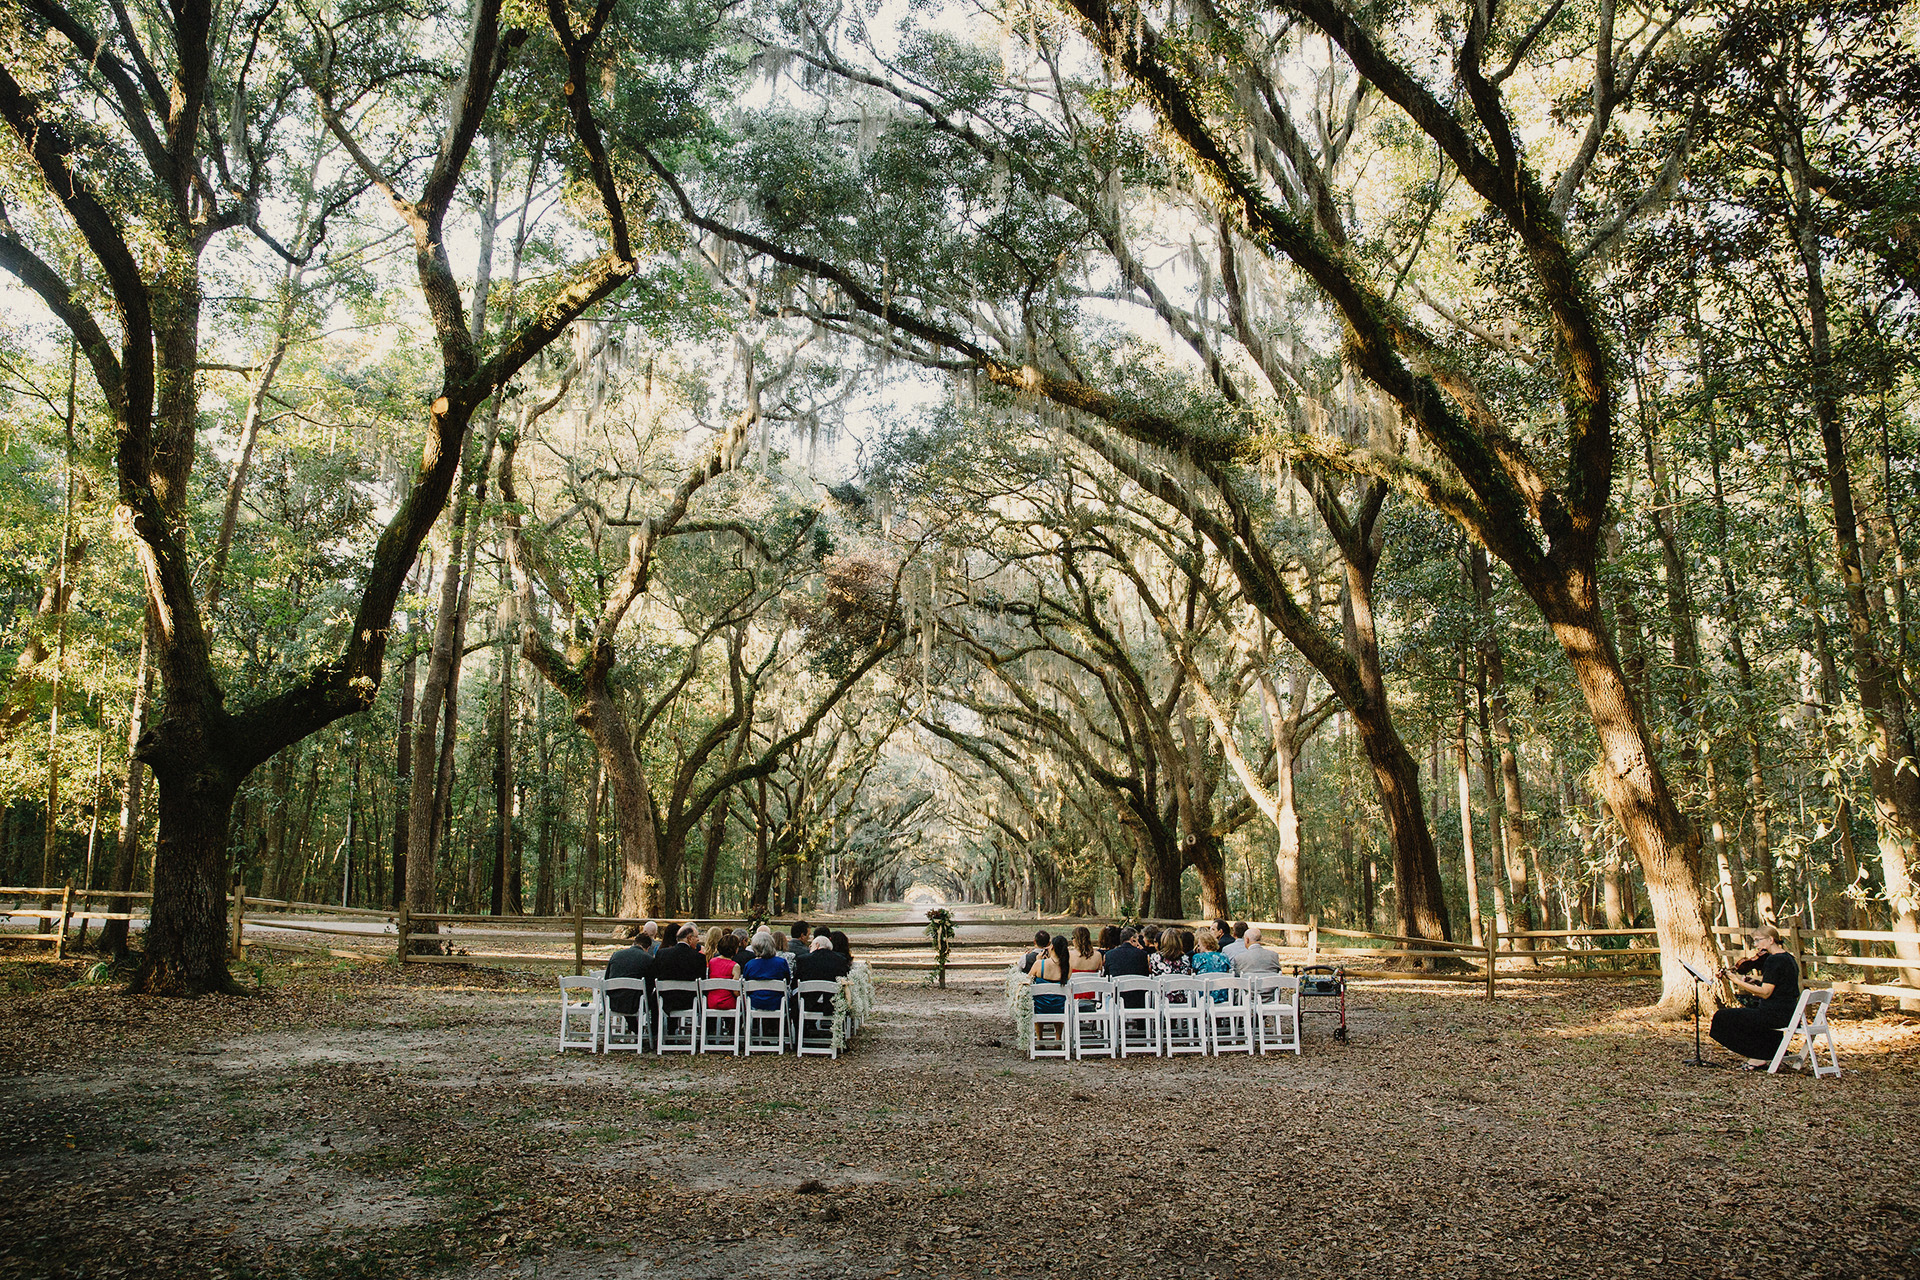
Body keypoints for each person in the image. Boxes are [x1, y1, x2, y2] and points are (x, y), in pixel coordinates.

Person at [1711, 926, 1803, 1069]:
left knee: (1721, 1017)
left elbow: (1765, 993)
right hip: (1788, 1012)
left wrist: (1737, 981)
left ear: (1771, 940)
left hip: (1774, 1015)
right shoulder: (1788, 958)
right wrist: (1757, 983)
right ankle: (1762, 1054)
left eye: (1758, 940)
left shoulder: (1773, 961)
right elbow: (1781, 987)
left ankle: (1759, 1055)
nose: (1755, 945)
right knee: (1748, 1012)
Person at [604, 925, 655, 1031]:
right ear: (648, 948)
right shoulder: (648, 959)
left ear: (634, 943)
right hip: (636, 1003)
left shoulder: (616, 955)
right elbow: (650, 985)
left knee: (626, 993)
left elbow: (607, 978)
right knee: (649, 997)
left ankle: (634, 1027)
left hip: (613, 1001)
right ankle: (653, 1031)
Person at [1027, 935, 1071, 1048]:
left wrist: (1038, 961)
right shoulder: (1067, 967)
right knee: (1058, 999)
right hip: (1059, 1007)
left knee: (1039, 1000)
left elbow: (1028, 980)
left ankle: (1040, 1038)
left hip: (1041, 1007)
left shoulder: (1039, 964)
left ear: (1052, 948)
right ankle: (1058, 1038)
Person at [651, 924, 707, 1014]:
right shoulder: (698, 957)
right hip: (689, 1001)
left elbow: (656, 976)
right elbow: (701, 982)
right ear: (689, 938)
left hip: (665, 1000)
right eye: (696, 937)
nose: (698, 940)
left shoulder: (662, 953)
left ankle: (657, 1027)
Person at [741, 932, 791, 1010]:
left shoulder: (750, 965)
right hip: (777, 1002)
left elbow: (745, 982)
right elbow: (787, 980)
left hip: (755, 1002)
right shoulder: (781, 962)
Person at [1191, 928, 1234, 1000]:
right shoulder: (1224, 957)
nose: (1198, 948)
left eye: (1199, 945)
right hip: (1222, 995)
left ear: (1204, 945)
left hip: (1204, 996)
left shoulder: (1197, 958)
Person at [705, 932, 742, 1009]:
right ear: (735, 949)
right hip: (727, 1001)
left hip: (711, 1001)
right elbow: (735, 991)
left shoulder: (712, 961)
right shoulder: (735, 966)